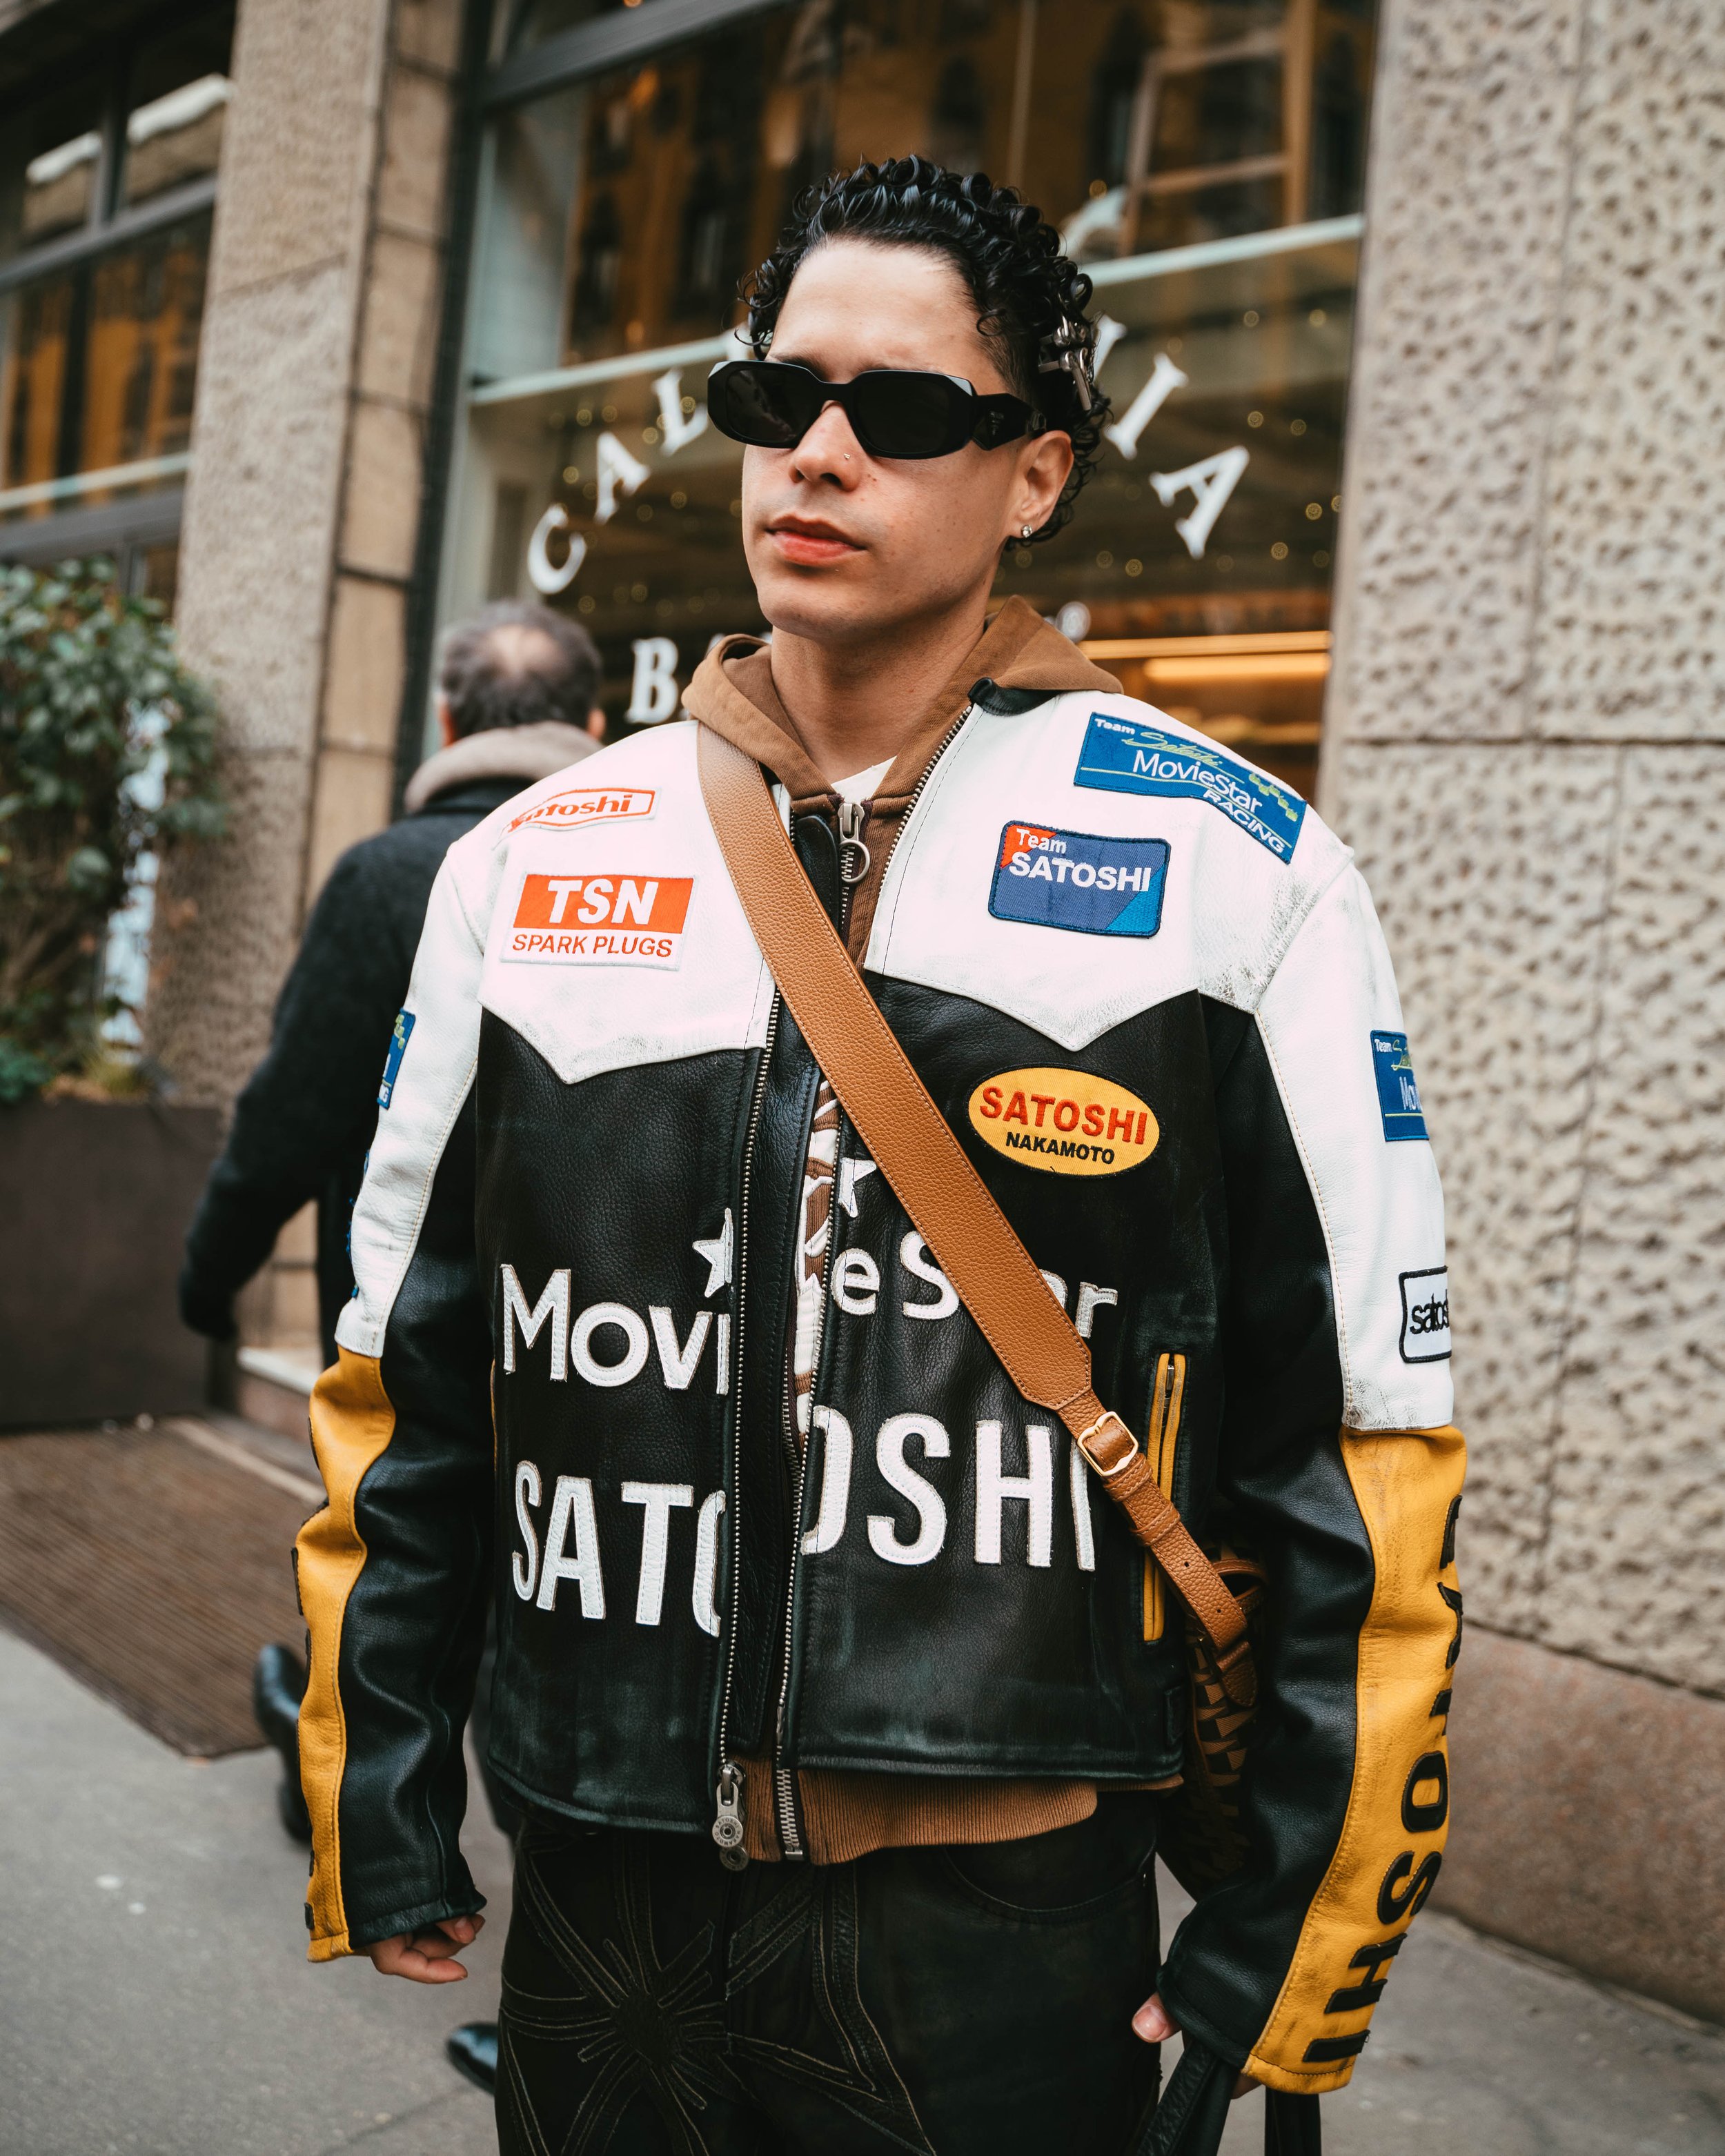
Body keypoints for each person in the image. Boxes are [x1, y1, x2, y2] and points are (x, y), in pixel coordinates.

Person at [295, 160, 1464, 2154]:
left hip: (995, 1926)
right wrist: (378, 1791)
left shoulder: (1232, 869)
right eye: (777, 399)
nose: (817, 455)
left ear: (1035, 473)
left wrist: (1288, 1929)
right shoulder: (532, 863)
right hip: (600, 1888)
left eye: (903, 410)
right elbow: (406, 1376)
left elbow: (1357, 1432)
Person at [180, 599, 604, 2090]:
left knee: (392, 1557)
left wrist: (210, 1278)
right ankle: (569, 2002)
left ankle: (374, 1821)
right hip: (598, 1337)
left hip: (411, 1324)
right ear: (594, 727)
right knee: (564, 1639)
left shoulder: (388, 872)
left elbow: (291, 1110)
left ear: (442, 725)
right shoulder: (658, 864)